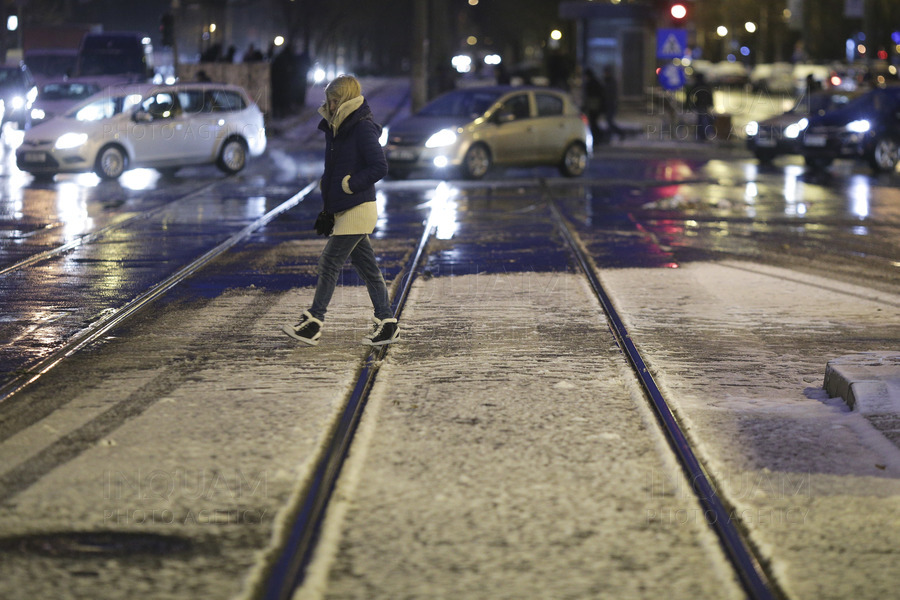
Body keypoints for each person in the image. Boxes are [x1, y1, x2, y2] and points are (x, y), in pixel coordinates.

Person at [282, 75, 397, 347]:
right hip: (345, 208)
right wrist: (329, 209)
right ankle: (387, 322)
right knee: (368, 269)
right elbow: (333, 170)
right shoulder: (338, 127)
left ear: (345, 100)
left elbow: (380, 167)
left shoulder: (361, 128)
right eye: (328, 101)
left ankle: (314, 322)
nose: (330, 107)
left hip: (358, 208)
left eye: (335, 101)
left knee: (329, 262)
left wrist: (349, 185)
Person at [582, 68, 606, 148]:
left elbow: (590, 97)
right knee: (594, 123)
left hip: (594, 107)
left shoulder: (591, 83)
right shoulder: (595, 82)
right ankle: (599, 137)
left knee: (593, 123)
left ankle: (599, 138)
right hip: (595, 106)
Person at [602, 65, 625, 141]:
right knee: (609, 121)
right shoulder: (606, 81)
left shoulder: (611, 81)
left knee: (609, 121)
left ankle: (620, 133)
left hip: (611, 104)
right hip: (608, 104)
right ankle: (609, 136)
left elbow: (611, 94)